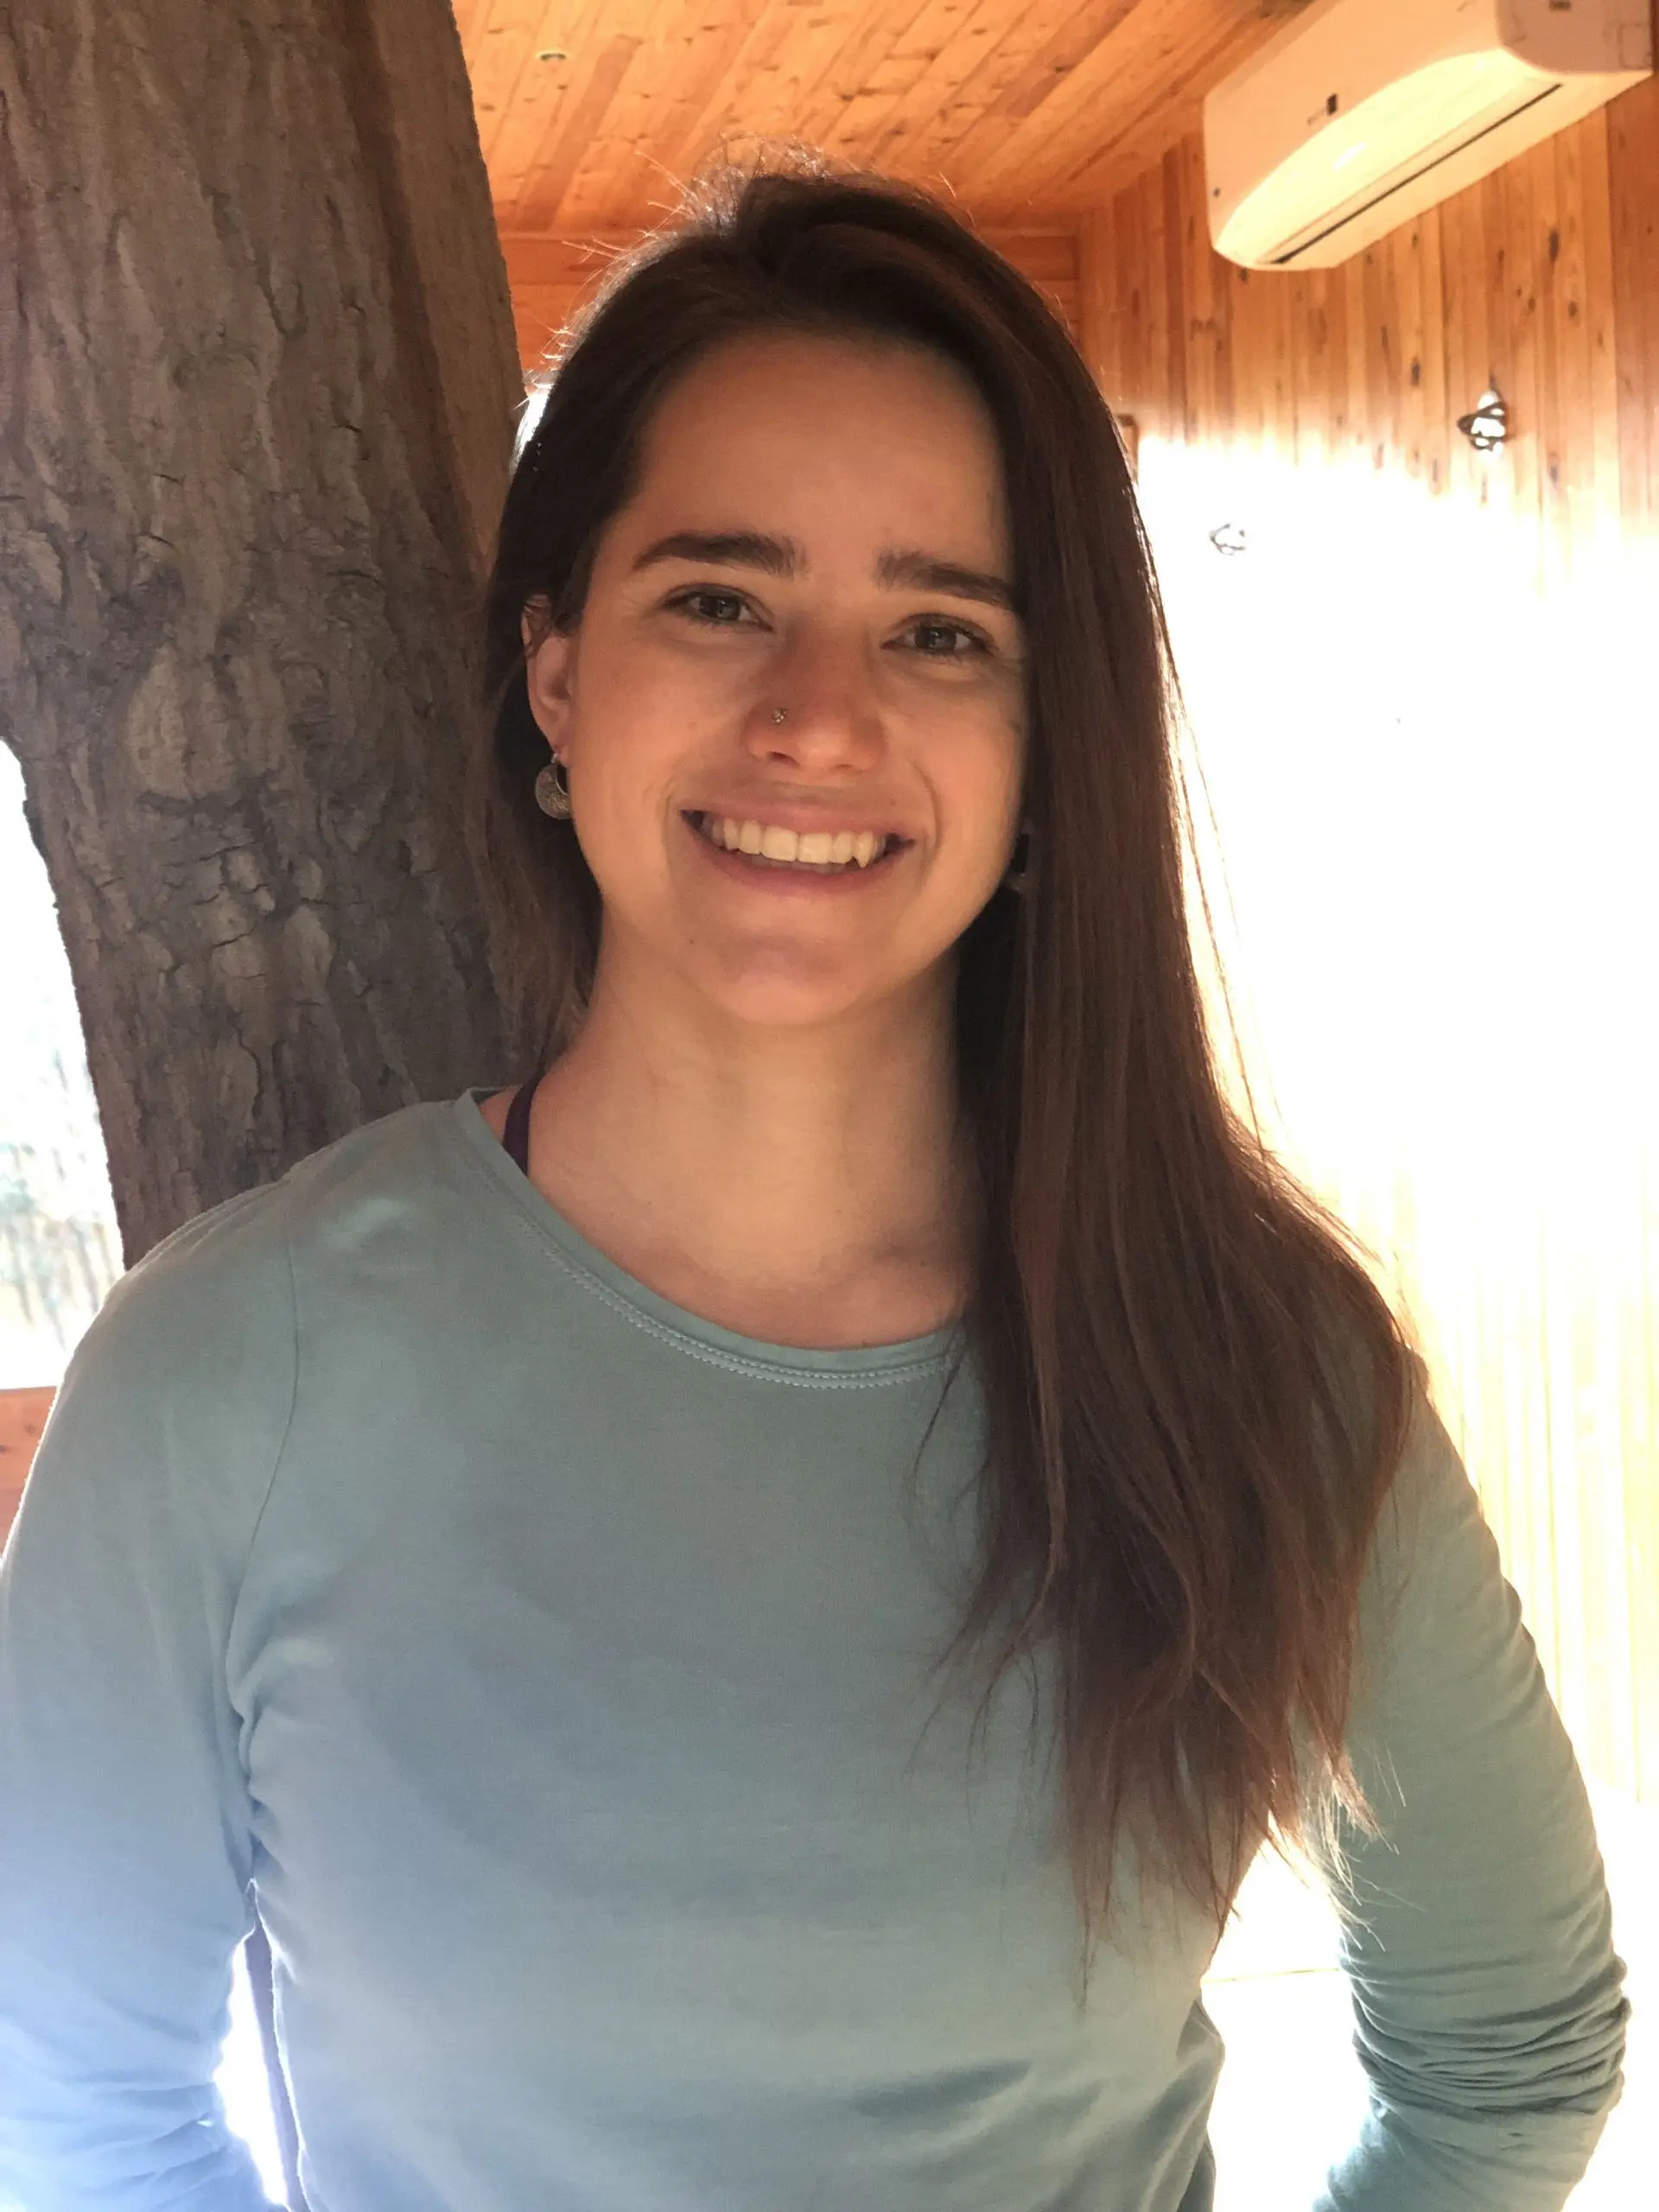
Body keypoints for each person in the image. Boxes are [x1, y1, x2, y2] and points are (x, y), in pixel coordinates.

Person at [0, 162, 1629, 2212]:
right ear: (557, 670)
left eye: (943, 630)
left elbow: (1511, 2049)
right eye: (718, 595)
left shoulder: (1260, 1372)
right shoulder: (227, 1373)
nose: (819, 715)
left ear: (1051, 753)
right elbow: (67, 2107)